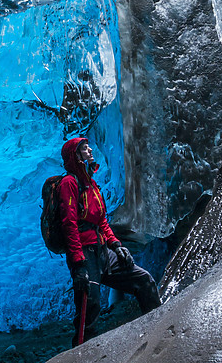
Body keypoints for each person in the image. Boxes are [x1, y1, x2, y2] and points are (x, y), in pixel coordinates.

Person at [58, 135, 161, 345]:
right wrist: (78, 263)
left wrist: (116, 245)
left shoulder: (91, 184)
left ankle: (158, 330)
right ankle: (80, 356)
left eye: (88, 147)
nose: (90, 151)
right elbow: (69, 224)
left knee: (143, 280)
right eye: (85, 149)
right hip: (86, 256)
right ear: (76, 155)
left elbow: (101, 221)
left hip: (103, 251)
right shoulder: (69, 183)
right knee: (90, 305)